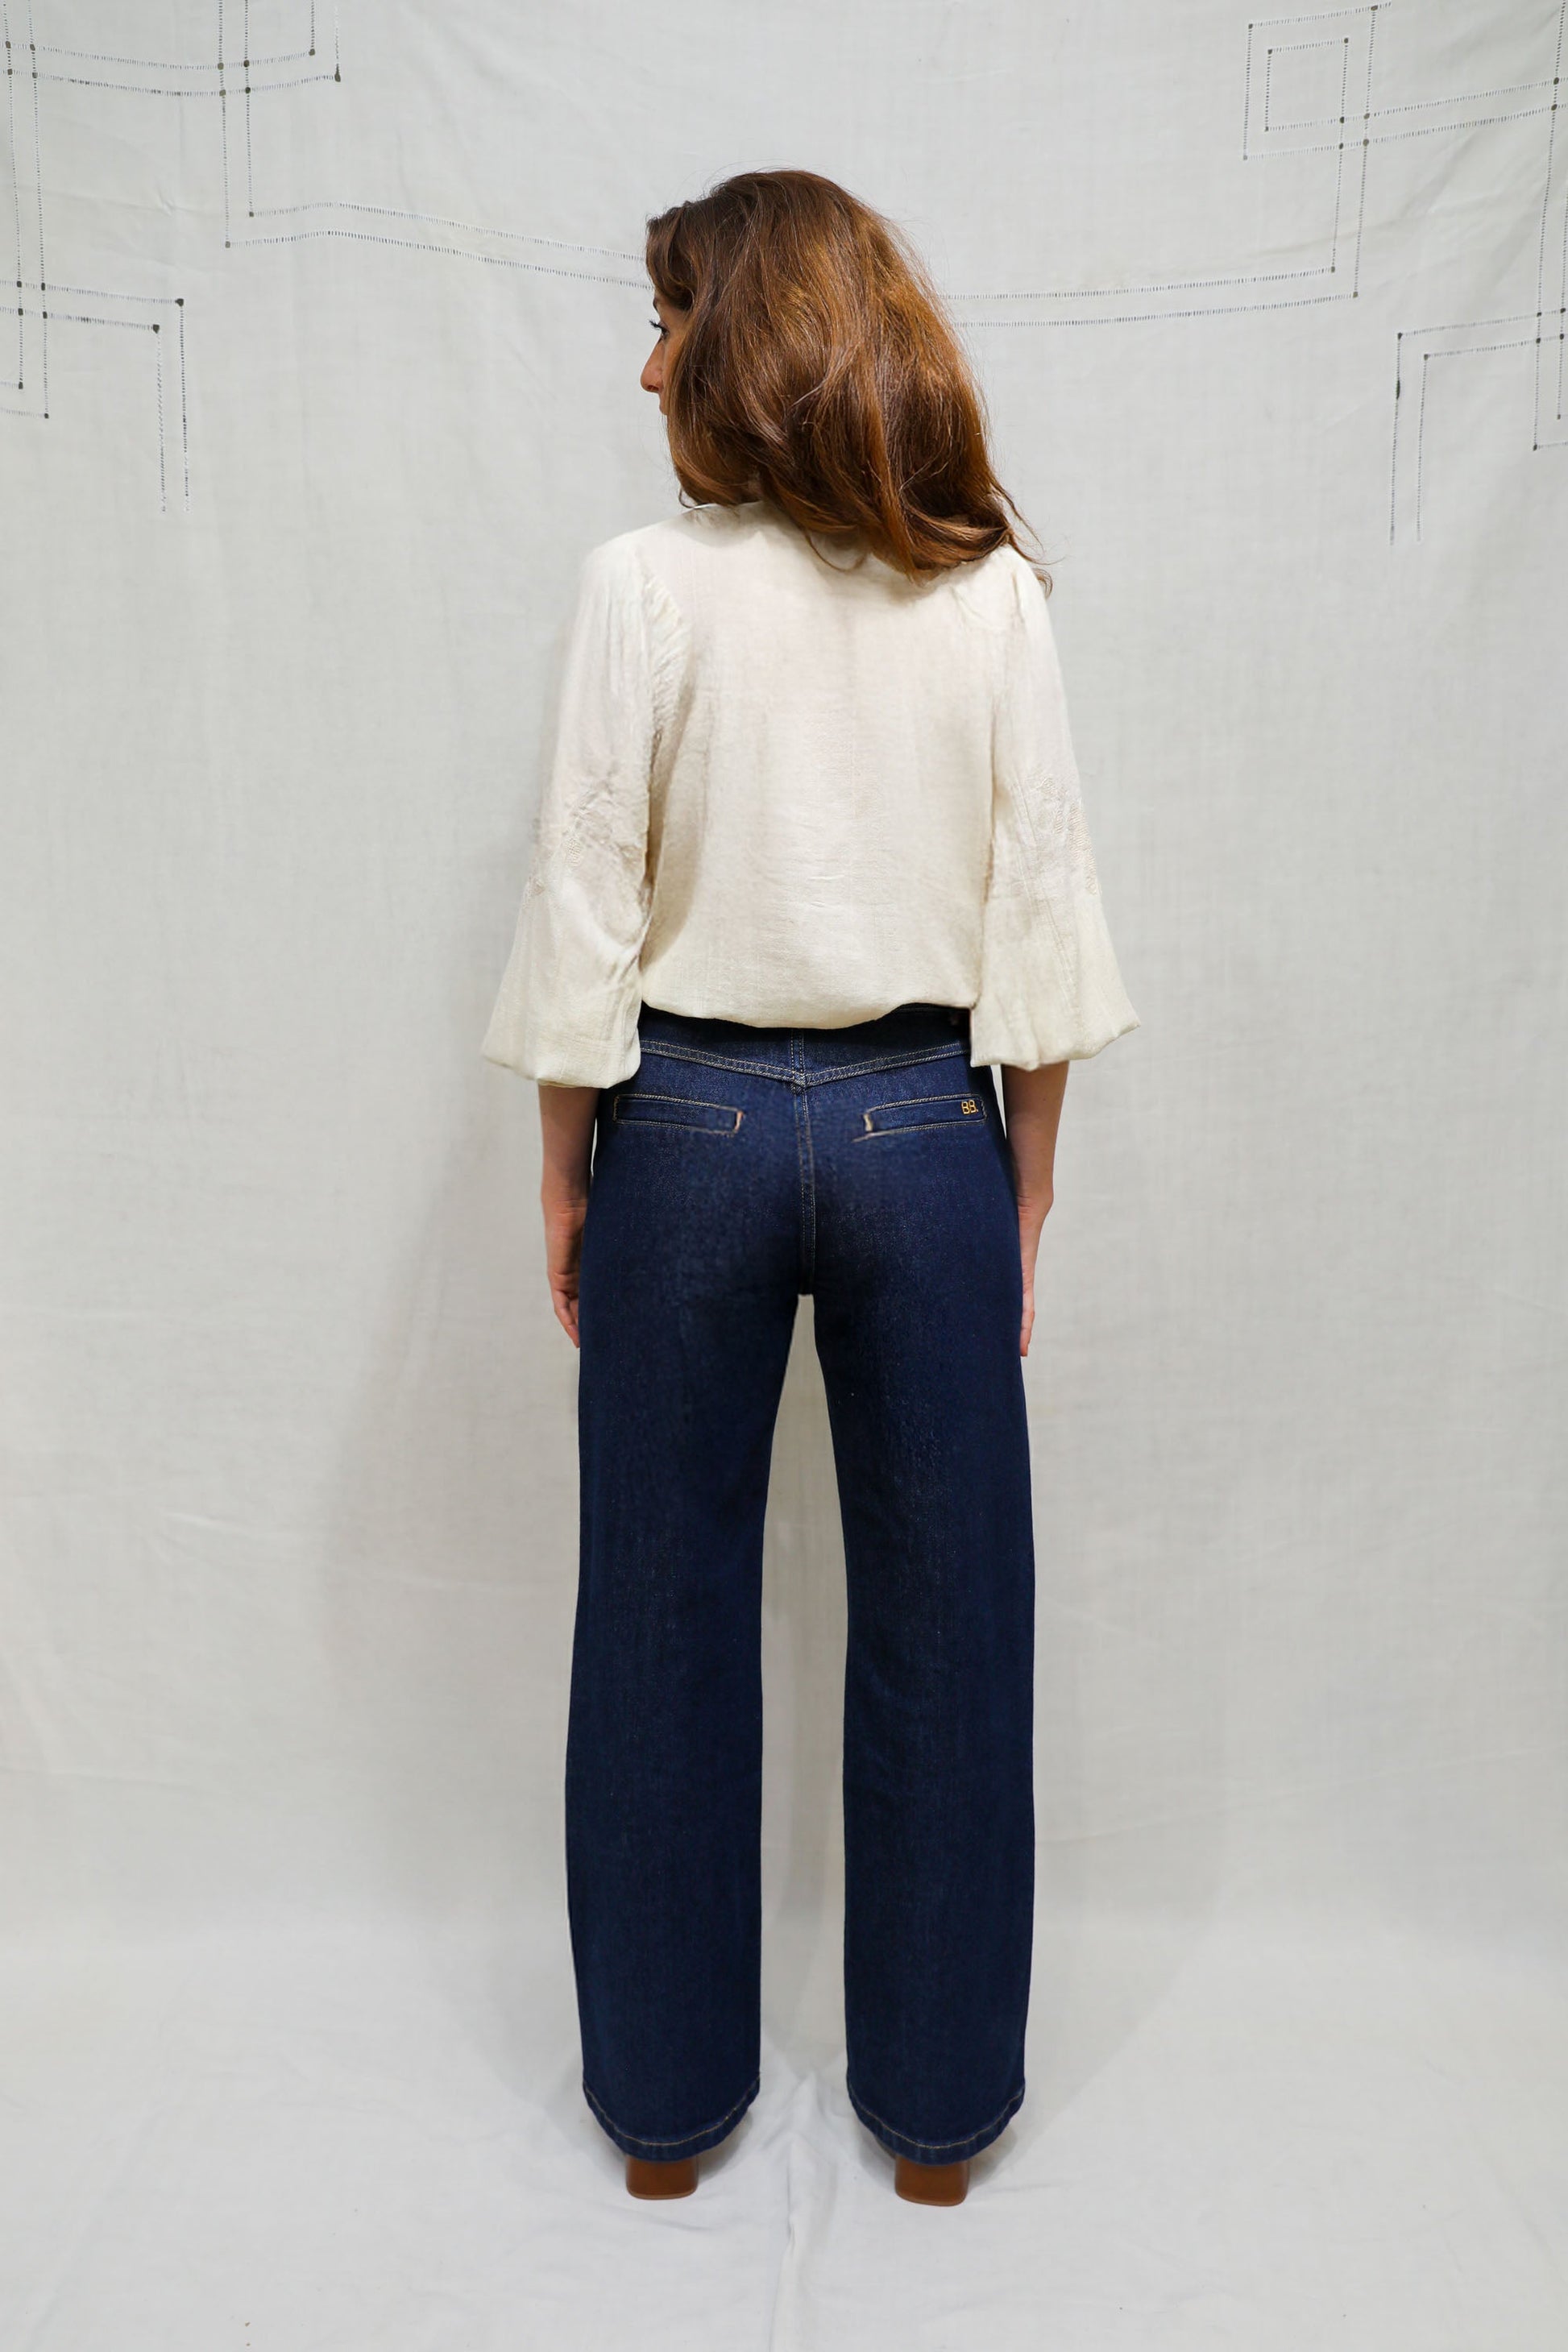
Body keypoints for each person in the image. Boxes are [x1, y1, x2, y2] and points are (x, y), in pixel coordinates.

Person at [479, 168, 1140, 2209]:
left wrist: (566, 1167)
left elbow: (587, 893)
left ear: (750, 337)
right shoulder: (988, 596)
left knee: (656, 1618)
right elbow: (1036, 914)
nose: (650, 362)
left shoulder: (640, 589)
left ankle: (663, 2114)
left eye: (671, 316)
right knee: (952, 1623)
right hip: (920, 1126)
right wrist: (1022, 1184)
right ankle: (935, 2121)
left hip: (679, 1126)